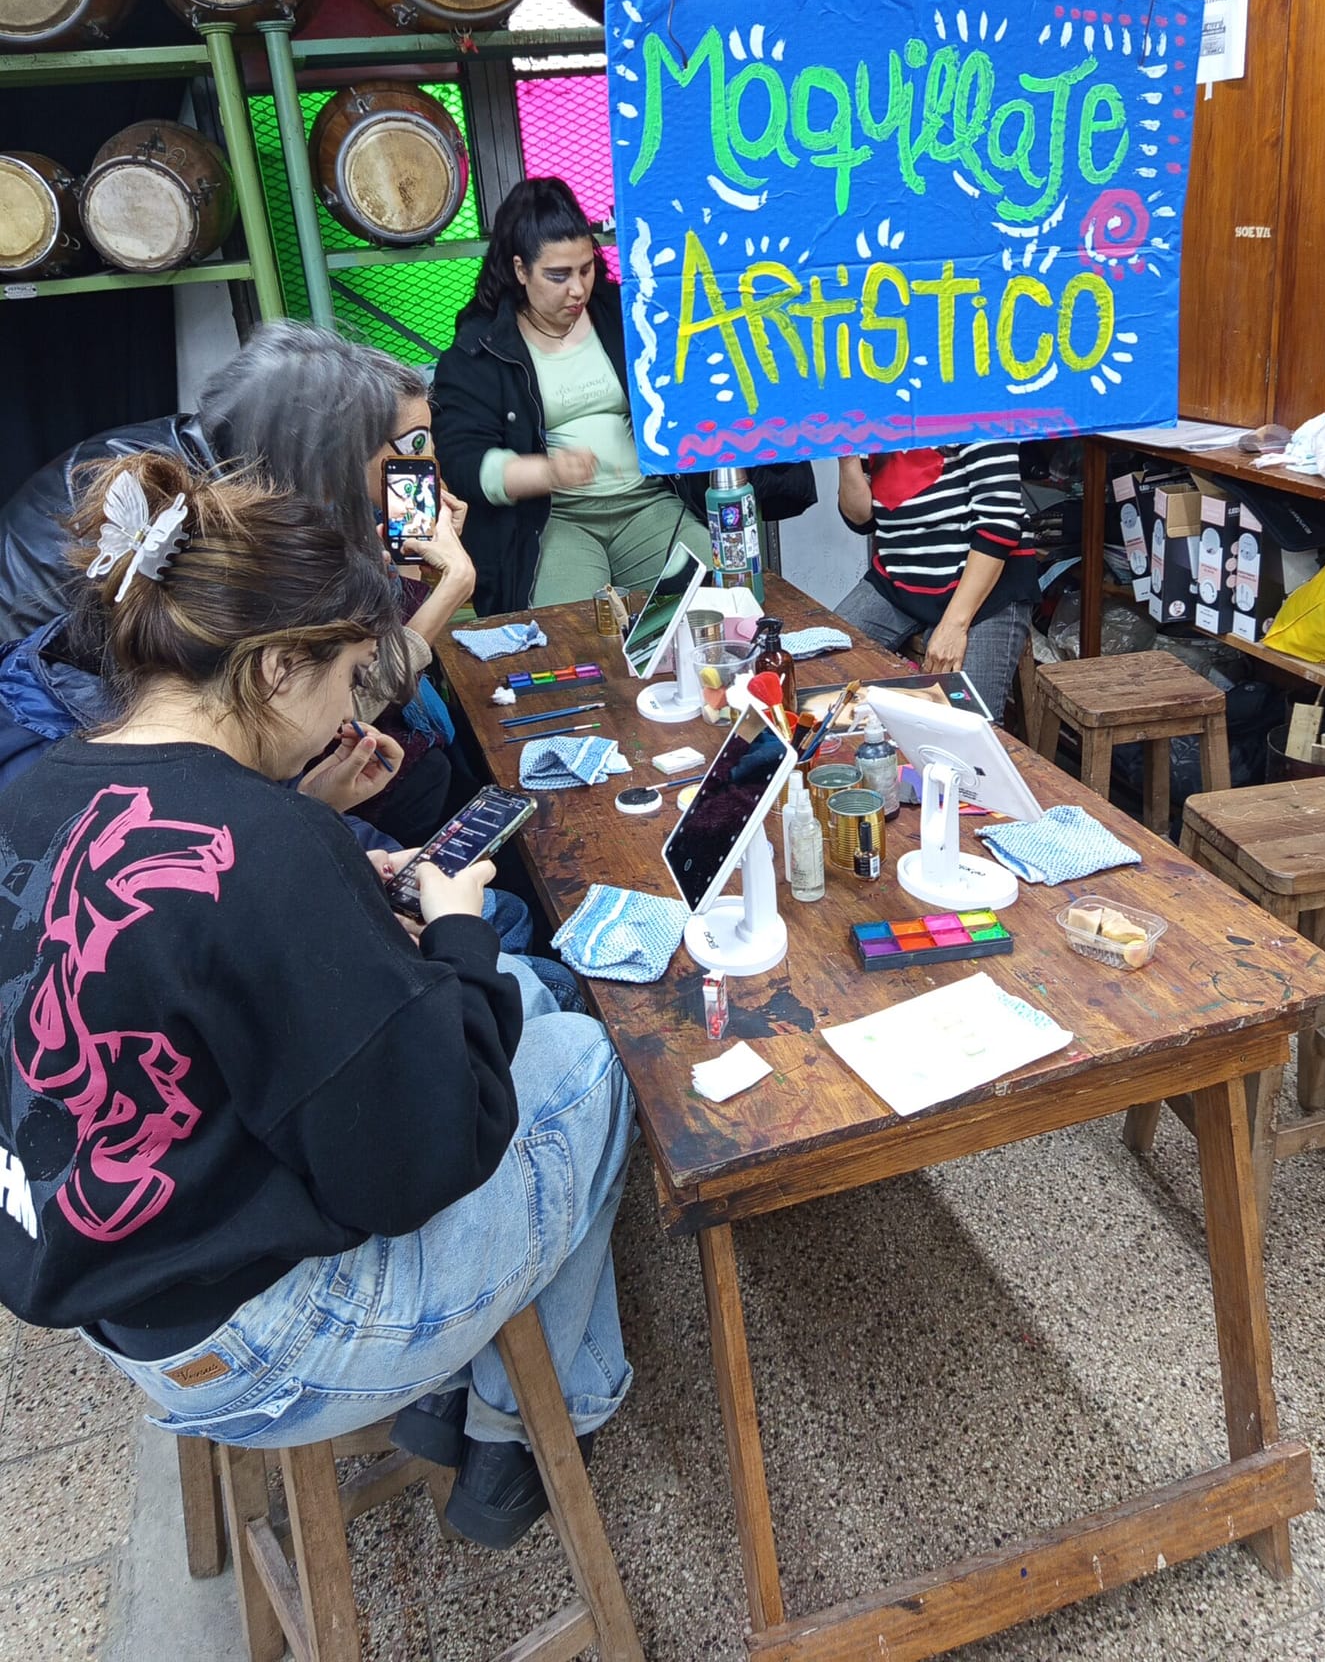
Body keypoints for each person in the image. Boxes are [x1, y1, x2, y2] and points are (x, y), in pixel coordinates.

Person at [0, 452, 634, 1550]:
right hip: (267, 1349)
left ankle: (484, 1389)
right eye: (346, 676)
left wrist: (320, 831)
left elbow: (180, 935)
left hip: (117, 1292)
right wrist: (455, 925)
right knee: (586, 1054)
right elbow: (420, 1163)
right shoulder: (270, 847)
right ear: (277, 667)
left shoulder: (37, 791)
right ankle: (528, 1422)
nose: (351, 707)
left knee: (524, 995)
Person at [0, 323, 476, 847]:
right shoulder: (216, 531)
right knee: (414, 779)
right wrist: (453, 585)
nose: (422, 467)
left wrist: (403, 555)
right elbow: (324, 692)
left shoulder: (249, 462)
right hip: (87, 727)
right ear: (333, 446)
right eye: (411, 447)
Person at [432, 176, 816, 615]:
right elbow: (462, 459)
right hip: (555, 519)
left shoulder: (626, 314)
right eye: (558, 276)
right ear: (521, 270)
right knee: (571, 624)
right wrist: (544, 472)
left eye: (585, 269)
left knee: (725, 601)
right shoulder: (481, 349)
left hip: (646, 504)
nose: (577, 289)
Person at [835, 443, 1039, 720]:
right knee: (823, 664)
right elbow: (861, 519)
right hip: (898, 580)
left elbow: (999, 523)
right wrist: (845, 455)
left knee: (965, 720)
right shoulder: (873, 423)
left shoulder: (975, 417)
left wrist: (954, 626)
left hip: (983, 589)